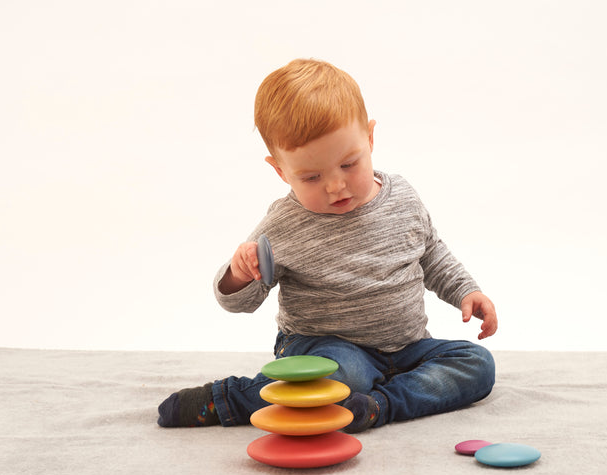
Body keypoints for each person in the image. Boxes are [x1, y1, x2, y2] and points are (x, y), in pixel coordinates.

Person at [157, 58, 498, 433]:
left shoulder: (403, 198)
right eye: (312, 176)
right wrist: (239, 274)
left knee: (477, 364)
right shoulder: (284, 224)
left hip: (407, 348)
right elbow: (240, 303)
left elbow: (432, 255)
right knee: (344, 375)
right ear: (281, 171)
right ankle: (229, 399)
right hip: (325, 351)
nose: (336, 186)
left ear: (369, 139)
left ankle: (376, 405)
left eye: (349, 164)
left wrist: (467, 290)